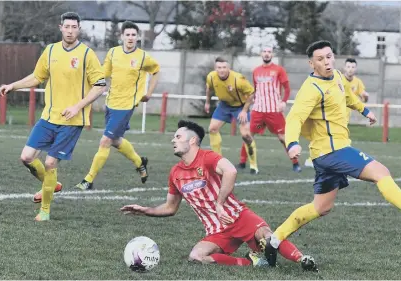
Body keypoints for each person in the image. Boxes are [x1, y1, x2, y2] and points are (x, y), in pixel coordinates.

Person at [262, 40, 401, 267]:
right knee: (381, 172)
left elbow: (348, 96)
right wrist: (291, 143)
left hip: (329, 154)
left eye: (329, 56)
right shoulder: (311, 89)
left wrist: (365, 110)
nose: (327, 62)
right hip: (332, 151)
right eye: (320, 59)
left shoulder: (338, 76)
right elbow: (295, 118)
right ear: (312, 63)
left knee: (321, 207)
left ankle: (274, 240)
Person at [120, 120, 316, 269]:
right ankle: (253, 262)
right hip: (216, 230)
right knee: (196, 256)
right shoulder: (175, 173)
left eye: (178, 137)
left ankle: (302, 259)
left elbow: (230, 171)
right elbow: (170, 207)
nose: (173, 140)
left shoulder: (207, 157)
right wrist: (145, 210)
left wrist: (220, 204)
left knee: (267, 235)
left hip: (237, 216)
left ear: (193, 140)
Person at [0, 12, 106, 221]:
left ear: (79, 29)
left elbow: (100, 85)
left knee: (49, 163)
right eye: (67, 27)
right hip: (49, 117)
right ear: (61, 27)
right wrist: (13, 85)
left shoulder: (86, 54)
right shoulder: (50, 51)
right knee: (26, 157)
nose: (71, 30)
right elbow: (38, 76)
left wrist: (77, 107)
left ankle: (45, 211)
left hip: (72, 121)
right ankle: (52, 184)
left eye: (74, 27)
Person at [75, 21, 160, 190]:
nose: (130, 38)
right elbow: (103, 74)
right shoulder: (113, 53)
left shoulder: (143, 57)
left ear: (137, 38)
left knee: (105, 140)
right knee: (115, 140)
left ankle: (88, 180)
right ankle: (140, 163)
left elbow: (156, 71)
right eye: (127, 35)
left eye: (133, 35)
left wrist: (148, 93)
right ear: (121, 36)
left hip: (127, 104)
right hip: (111, 102)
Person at [238, 46, 301, 173]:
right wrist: (248, 106)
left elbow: (287, 88)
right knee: (248, 136)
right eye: (265, 52)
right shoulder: (256, 71)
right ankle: (242, 162)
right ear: (261, 54)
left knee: (283, 138)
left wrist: (283, 102)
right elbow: (254, 90)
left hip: (274, 110)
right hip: (258, 110)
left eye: (269, 52)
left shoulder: (279, 70)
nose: (267, 54)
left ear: (272, 54)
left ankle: (295, 163)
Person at [303, 57, 370, 169]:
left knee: (339, 141)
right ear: (344, 67)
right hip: (333, 115)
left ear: (356, 69)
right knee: (326, 137)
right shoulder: (338, 78)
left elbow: (362, 97)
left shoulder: (357, 82)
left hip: (345, 117)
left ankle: (334, 160)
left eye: (353, 67)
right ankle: (313, 158)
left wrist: (365, 97)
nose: (350, 69)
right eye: (348, 67)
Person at [205, 57, 259, 174]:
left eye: (224, 67)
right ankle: (218, 162)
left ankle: (254, 165)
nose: (222, 70)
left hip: (240, 107)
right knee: (212, 129)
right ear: (215, 68)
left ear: (228, 68)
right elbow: (209, 89)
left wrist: (244, 110)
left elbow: (251, 93)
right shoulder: (211, 77)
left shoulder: (238, 79)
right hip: (224, 106)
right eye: (219, 67)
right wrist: (207, 102)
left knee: (246, 136)